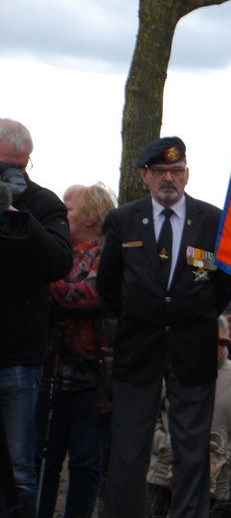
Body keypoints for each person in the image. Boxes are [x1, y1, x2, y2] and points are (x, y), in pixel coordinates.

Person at [96, 137, 231, 518]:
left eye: (176, 171)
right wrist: (139, 317)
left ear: (187, 174)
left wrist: (193, 316)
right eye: (159, 171)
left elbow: (223, 284)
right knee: (128, 451)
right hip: (138, 349)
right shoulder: (123, 219)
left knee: (193, 451)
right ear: (145, 175)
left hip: (193, 350)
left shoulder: (212, 220)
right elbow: (108, 285)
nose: (168, 178)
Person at [0, 118, 72, 518]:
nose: (12, 175)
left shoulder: (42, 203)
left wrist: (17, 217)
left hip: (16, 359)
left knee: (18, 472)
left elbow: (59, 262)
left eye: (18, 166)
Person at [35, 183, 116, 518]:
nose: (61, 214)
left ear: (91, 217)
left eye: (68, 209)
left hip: (90, 380)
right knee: (43, 460)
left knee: (84, 463)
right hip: (49, 372)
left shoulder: (106, 252)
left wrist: (41, 283)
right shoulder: (57, 251)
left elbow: (88, 296)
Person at [145, 316, 231, 518]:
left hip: (215, 474)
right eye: (213, 341)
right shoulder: (172, 367)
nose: (218, 347)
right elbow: (152, 413)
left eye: (224, 342)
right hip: (164, 470)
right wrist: (164, 446)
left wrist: (230, 455)